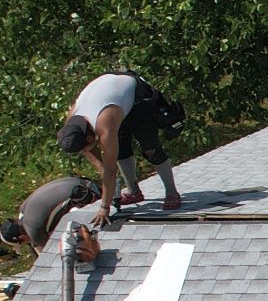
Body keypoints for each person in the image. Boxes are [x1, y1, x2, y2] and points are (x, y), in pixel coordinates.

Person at [57, 72, 184, 216]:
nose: (84, 152)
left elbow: (110, 172)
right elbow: (98, 161)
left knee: (151, 148)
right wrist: (104, 172)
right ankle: (134, 192)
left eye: (83, 149)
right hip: (113, 100)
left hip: (137, 97)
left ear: (89, 138)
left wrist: (105, 207)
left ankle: (172, 192)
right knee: (121, 151)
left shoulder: (105, 122)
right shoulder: (73, 124)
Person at [0, 175, 103, 252]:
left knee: (75, 240)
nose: (27, 243)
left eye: (22, 243)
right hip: (83, 182)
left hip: (86, 195)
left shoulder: (33, 231)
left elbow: (51, 252)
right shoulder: (23, 210)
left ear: (22, 238)